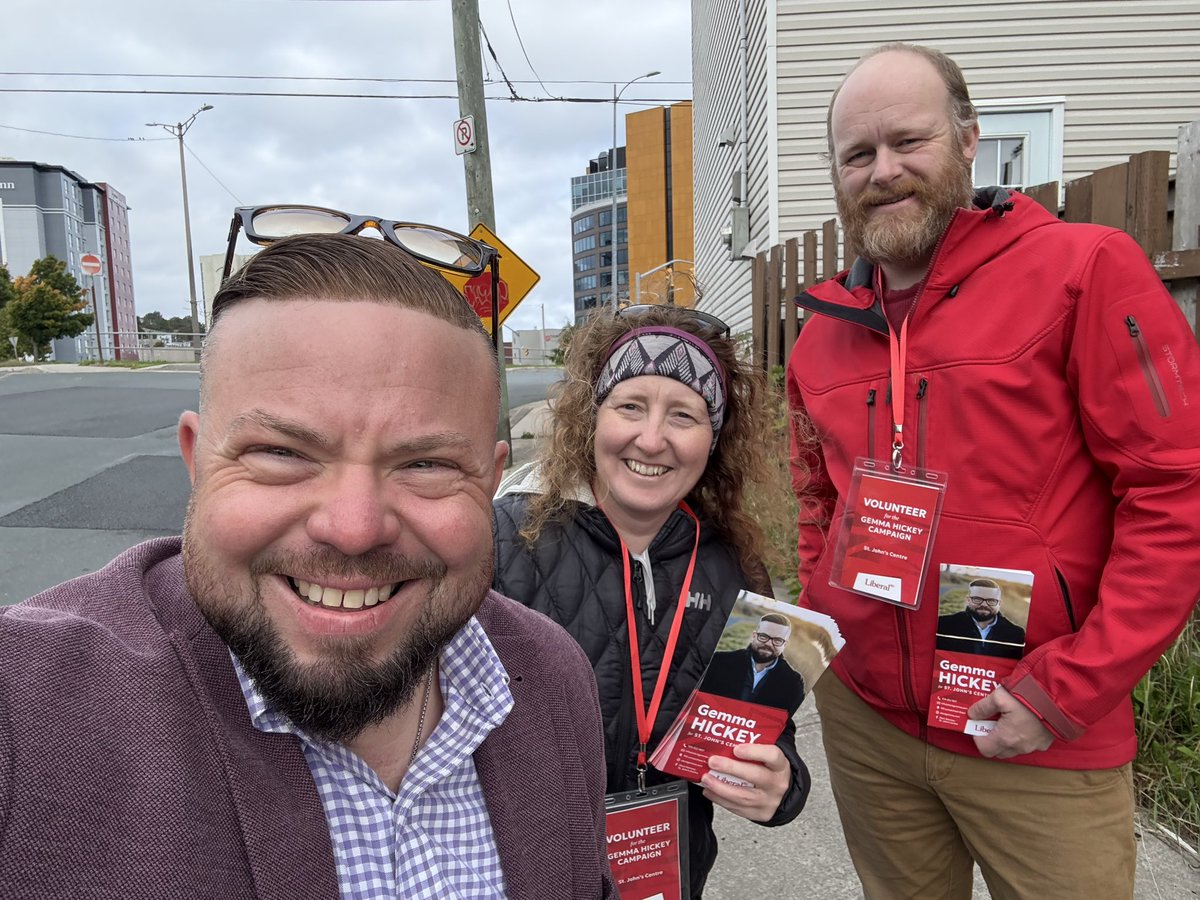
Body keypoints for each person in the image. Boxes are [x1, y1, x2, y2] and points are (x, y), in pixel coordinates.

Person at [0, 231, 616, 899]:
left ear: (489, 480)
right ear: (196, 459)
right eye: (283, 453)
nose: (352, 530)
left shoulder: (552, 680)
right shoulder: (25, 708)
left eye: (426, 464)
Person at [787, 42, 1200, 900]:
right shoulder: (822, 330)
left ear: (971, 140)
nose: (884, 171)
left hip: (1037, 730)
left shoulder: (1083, 271)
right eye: (858, 154)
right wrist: (831, 619)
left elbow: (1175, 495)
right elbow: (816, 496)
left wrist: (1069, 689)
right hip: (872, 730)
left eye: (910, 141)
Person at [494, 304, 810, 897]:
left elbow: (764, 724)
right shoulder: (504, 542)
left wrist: (781, 785)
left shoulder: (732, 567)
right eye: (630, 406)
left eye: (684, 415)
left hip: (669, 871)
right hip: (527, 873)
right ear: (593, 419)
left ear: (714, 440)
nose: (652, 438)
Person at [699, 613, 806, 713]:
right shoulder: (718, 662)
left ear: (785, 644)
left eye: (777, 640)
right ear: (754, 636)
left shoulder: (793, 682)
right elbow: (694, 700)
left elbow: (787, 725)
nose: (768, 643)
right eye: (763, 636)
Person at [936, 579, 1026, 660]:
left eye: (991, 601)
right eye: (977, 599)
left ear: (999, 604)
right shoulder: (943, 624)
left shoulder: (1016, 634)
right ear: (968, 600)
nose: (984, 605)